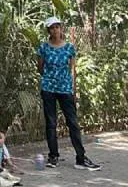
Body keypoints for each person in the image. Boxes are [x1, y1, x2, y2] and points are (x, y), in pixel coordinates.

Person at [38, 16, 100, 171]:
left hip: (65, 88)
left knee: (72, 122)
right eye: (52, 28)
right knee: (51, 124)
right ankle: (53, 156)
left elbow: (72, 68)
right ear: (48, 30)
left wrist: (70, 85)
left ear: (61, 28)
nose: (55, 30)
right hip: (48, 88)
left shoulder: (69, 48)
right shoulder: (43, 47)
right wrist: (49, 77)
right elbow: (40, 67)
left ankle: (80, 157)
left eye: (57, 27)